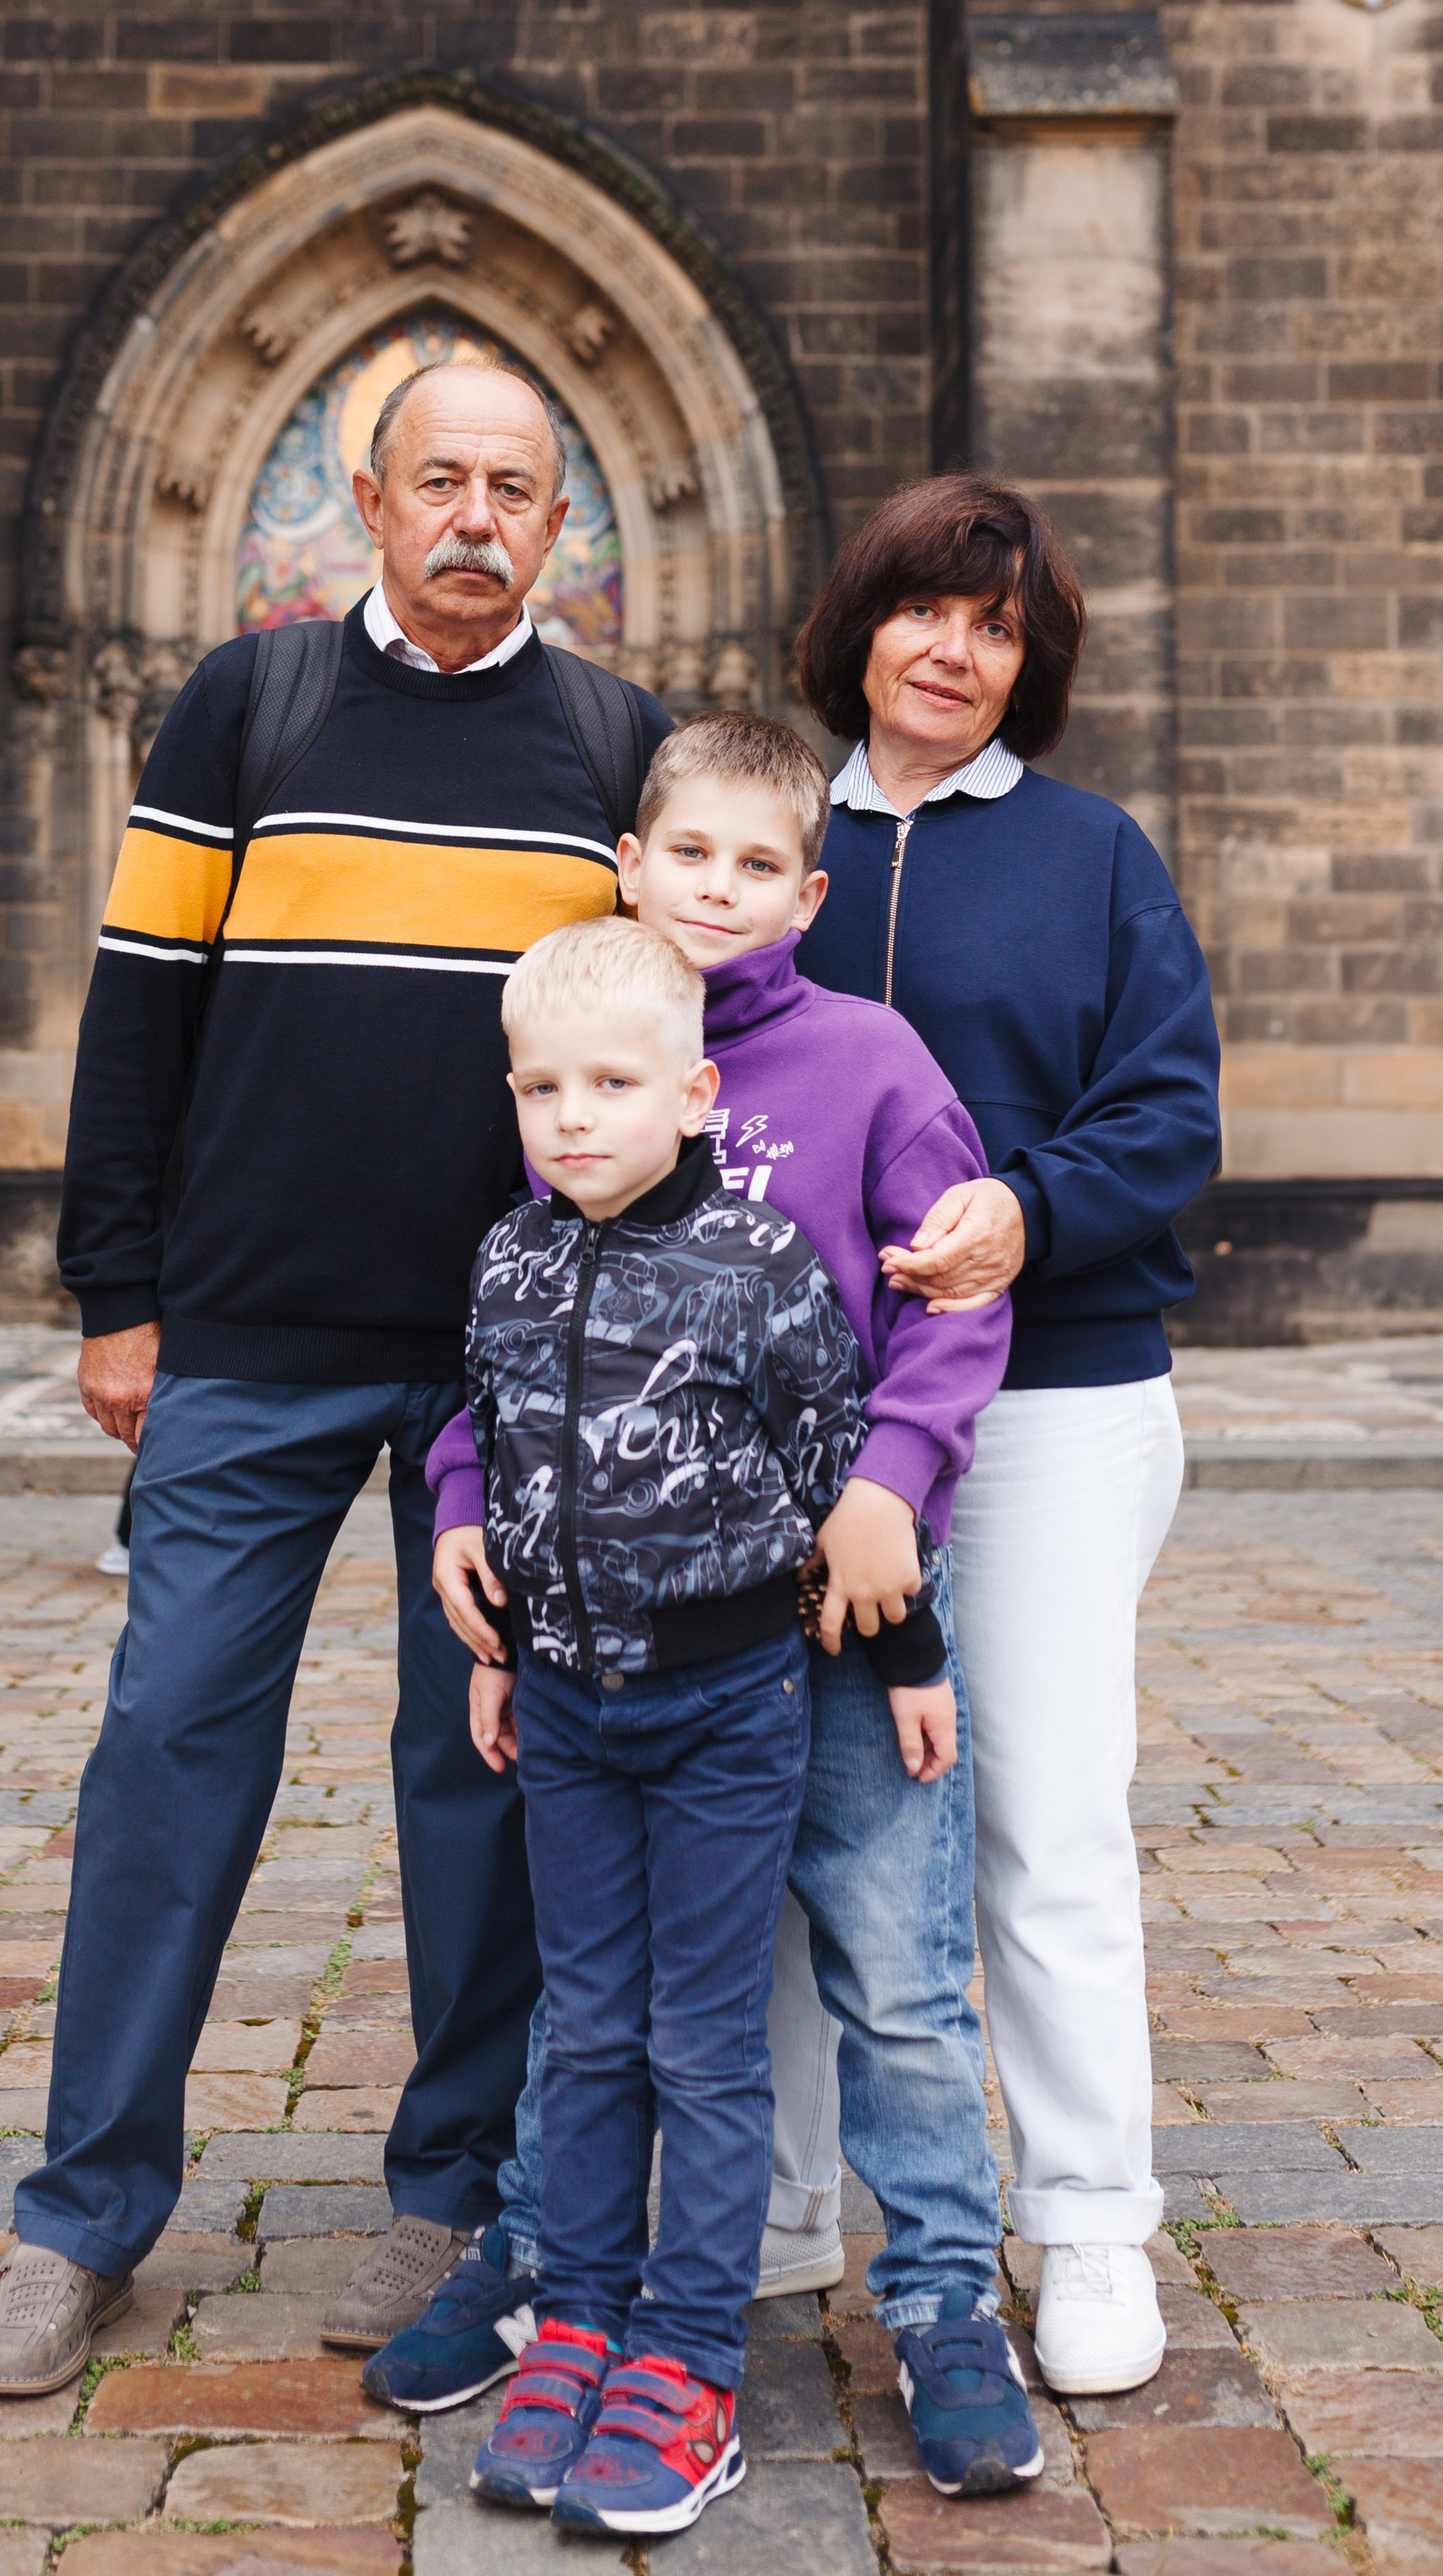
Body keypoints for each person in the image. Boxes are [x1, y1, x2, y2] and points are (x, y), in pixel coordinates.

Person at [0, 361, 670, 2397]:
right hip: (249, 1340)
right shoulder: (240, 705)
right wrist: (117, 1292)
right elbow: (137, 1011)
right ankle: (79, 2214)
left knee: (479, 1778)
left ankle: (451, 2197)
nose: (472, 514)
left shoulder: (607, 748)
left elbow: (645, 1062)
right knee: (168, 1749)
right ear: (364, 499)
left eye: (513, 488)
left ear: (559, 525)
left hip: (503, 1366)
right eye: (435, 477)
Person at [392, 715, 1048, 2502]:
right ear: (630, 861)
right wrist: (465, 1498)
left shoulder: (867, 1060)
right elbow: (514, 1336)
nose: (717, 890)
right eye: (689, 855)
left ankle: (934, 2307)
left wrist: (885, 1496)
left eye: (758, 866)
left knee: (896, 1975)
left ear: (805, 893)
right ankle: (548, 2266)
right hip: (618, 1626)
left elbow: (946, 1303)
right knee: (588, 1993)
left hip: (831, 1587)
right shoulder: (570, 1048)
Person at [790, 473, 1222, 2397]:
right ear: (859, 625)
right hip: (791, 1420)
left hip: (1049, 1401)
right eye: (925, 610)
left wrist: (1024, 1210)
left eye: (997, 625)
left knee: (1039, 1822)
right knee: (791, 1808)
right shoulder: (760, 842)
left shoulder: (1089, 853)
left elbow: (1168, 1118)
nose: (954, 649)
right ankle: (789, 2200)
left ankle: (1088, 2225)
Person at [453, 913, 912, 2537]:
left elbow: (839, 1473)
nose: (571, 1117)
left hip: (724, 1710)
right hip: (567, 1709)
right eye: (538, 1087)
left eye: (609, 1084)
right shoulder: (510, 1257)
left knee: (701, 2046)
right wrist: (502, 1641)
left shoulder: (758, 1266)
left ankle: (687, 2361)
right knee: (584, 2029)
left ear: (695, 1093)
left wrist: (909, 1658)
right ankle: (574, 2318)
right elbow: (506, 1452)